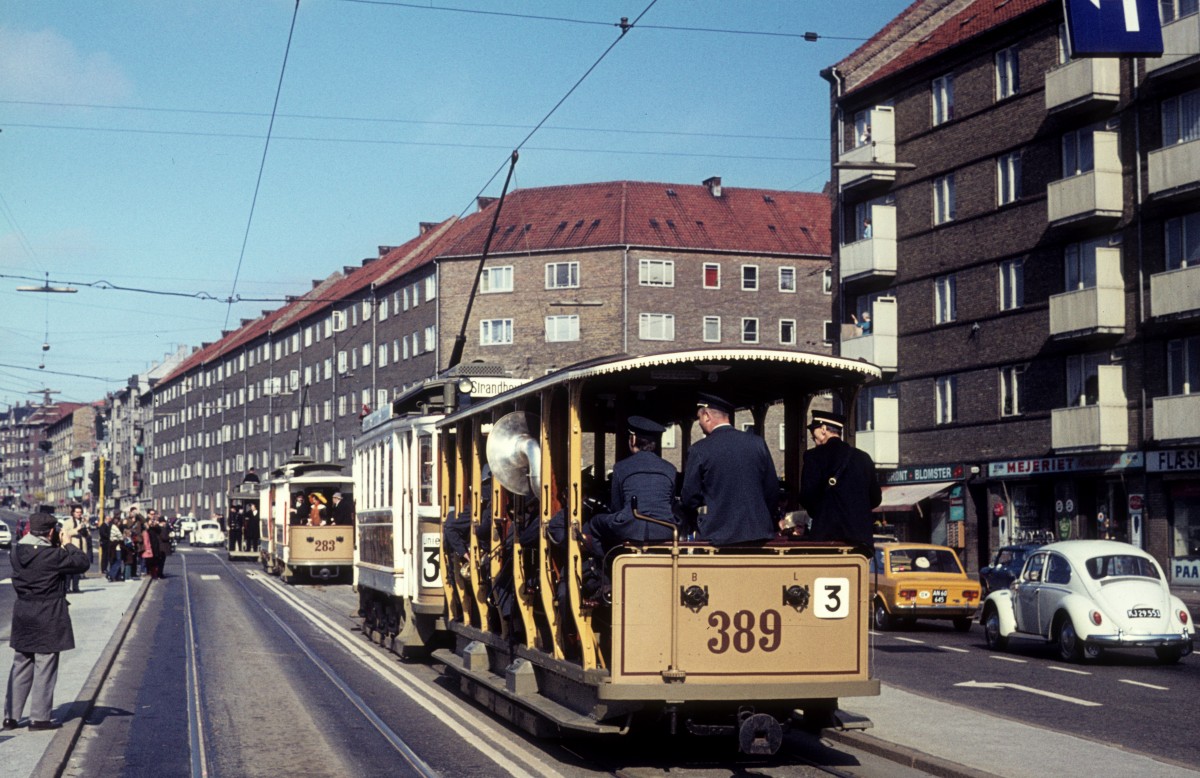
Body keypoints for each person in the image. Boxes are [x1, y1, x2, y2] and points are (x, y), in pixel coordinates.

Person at [3, 506, 90, 730]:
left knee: (21, 663)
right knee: (45, 663)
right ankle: (39, 718)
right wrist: (68, 541)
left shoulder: (16, 552)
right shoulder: (53, 555)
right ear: (51, 532)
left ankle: (10, 717)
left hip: (23, 612)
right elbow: (82, 562)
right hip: (48, 613)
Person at [681, 393, 779, 546]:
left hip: (717, 536)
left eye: (699, 418)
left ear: (706, 415)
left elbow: (689, 497)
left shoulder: (699, 450)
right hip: (758, 534)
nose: (699, 423)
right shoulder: (758, 443)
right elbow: (772, 489)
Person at [586, 416, 678, 557]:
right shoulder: (670, 469)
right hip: (665, 529)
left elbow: (617, 506)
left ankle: (606, 564)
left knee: (595, 523)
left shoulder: (621, 467)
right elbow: (670, 502)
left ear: (633, 439)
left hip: (631, 527)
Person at [797, 410, 881, 556]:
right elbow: (875, 498)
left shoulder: (813, 457)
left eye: (813, 432)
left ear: (823, 429)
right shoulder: (863, 458)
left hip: (826, 536)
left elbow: (806, 496)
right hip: (859, 540)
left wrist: (822, 512)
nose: (812, 437)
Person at [64, 505, 87, 593]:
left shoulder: (82, 522)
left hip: (80, 548)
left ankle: (75, 587)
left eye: (80, 512)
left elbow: (86, 535)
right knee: (70, 569)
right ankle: (67, 587)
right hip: (71, 548)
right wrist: (77, 529)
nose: (79, 514)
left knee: (77, 568)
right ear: (73, 513)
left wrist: (86, 529)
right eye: (77, 512)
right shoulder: (68, 522)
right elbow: (65, 533)